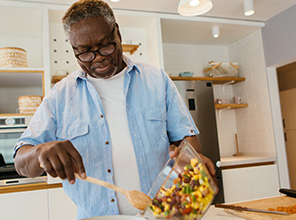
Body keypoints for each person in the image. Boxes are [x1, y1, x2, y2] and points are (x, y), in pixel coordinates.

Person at [14, 0, 215, 218]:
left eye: (105, 45)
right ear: (73, 49)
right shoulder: (60, 96)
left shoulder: (157, 80)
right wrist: (40, 152)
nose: (98, 58)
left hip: (161, 215)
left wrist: (188, 158)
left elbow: (188, 137)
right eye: (85, 52)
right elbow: (21, 162)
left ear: (117, 32)